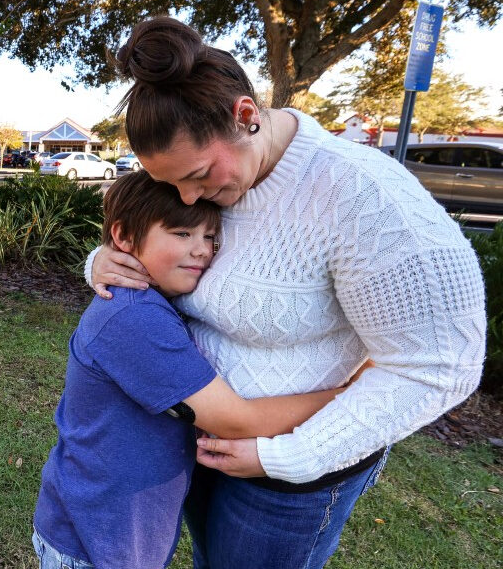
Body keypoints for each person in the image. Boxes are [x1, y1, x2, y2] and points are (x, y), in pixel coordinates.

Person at [86, 17, 486, 568]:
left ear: (246, 115)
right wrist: (108, 259)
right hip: (199, 447)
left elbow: (442, 363)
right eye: (169, 184)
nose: (187, 195)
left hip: (288, 481)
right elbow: (161, 245)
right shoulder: (211, 177)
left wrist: (294, 455)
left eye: (198, 176)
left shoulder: (365, 199)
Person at [33, 170, 359, 569]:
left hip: (115, 530)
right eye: (182, 234)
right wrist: (352, 391)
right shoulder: (134, 318)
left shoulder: (152, 301)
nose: (203, 250)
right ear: (122, 237)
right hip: (96, 541)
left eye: (210, 237)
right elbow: (237, 420)